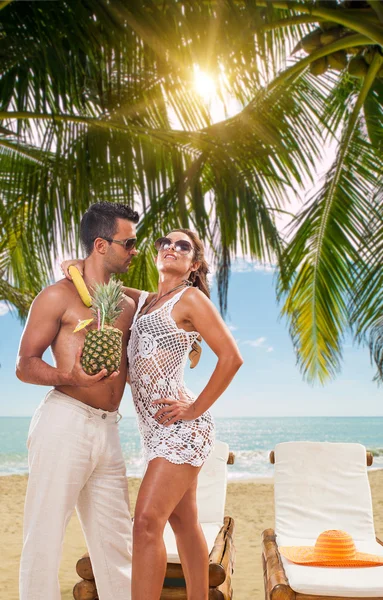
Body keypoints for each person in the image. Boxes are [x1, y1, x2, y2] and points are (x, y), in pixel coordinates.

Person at [63, 228, 243, 600]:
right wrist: (76, 267)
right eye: (165, 242)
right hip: (155, 432)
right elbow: (101, 286)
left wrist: (195, 408)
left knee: (146, 523)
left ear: (194, 265)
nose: (171, 248)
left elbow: (232, 357)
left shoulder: (190, 299)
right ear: (156, 253)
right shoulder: (146, 301)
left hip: (183, 428)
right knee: (184, 520)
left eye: (183, 246)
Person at [16, 202, 139, 600]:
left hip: (109, 430)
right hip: (64, 421)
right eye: (129, 243)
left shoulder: (128, 305)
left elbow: (170, 302)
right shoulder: (57, 296)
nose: (135, 250)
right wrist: (67, 376)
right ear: (101, 244)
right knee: (45, 534)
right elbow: (24, 365)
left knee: (117, 543)